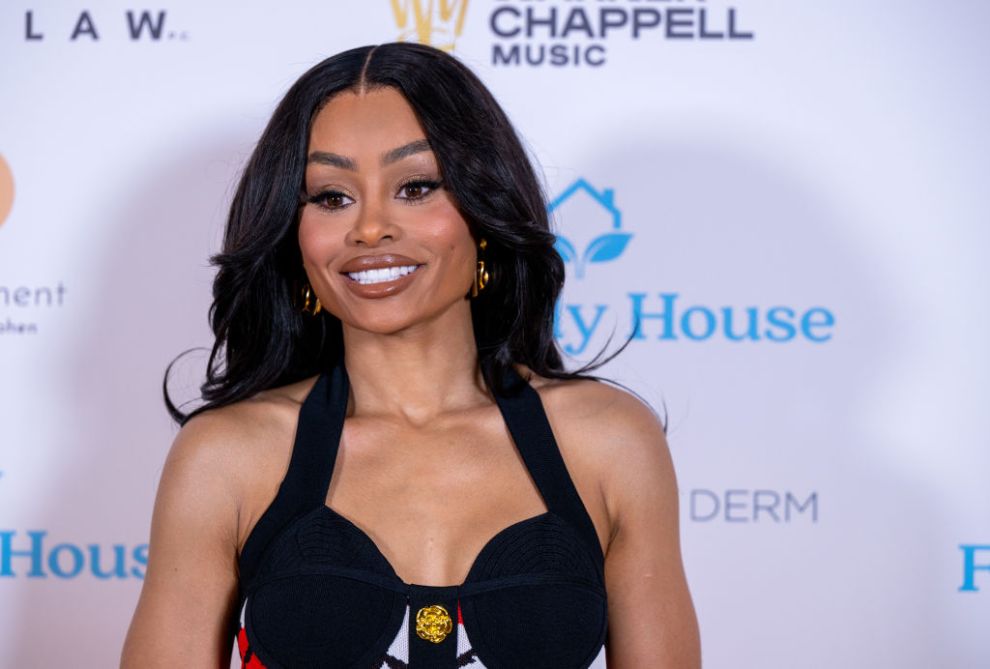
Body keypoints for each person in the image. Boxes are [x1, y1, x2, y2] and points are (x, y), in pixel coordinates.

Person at [121, 42, 700, 668]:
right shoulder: (227, 458)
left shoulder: (608, 443)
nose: (370, 228)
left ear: (484, 213)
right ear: (295, 236)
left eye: (416, 186)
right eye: (332, 197)